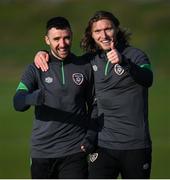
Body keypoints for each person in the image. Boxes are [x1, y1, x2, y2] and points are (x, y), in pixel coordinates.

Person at [33, 11, 153, 179]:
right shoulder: (91, 60)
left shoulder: (136, 55)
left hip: (135, 144)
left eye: (108, 29)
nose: (103, 35)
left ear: (116, 29)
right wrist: (41, 52)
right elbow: (65, 59)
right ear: (91, 35)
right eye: (97, 31)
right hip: (102, 145)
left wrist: (124, 62)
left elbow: (148, 79)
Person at [13, 16, 97, 179]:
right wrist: (33, 98)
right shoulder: (36, 68)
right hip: (42, 152)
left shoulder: (84, 67)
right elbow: (18, 101)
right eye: (56, 39)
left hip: (74, 151)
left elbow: (94, 105)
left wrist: (91, 137)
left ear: (71, 36)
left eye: (66, 38)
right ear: (47, 40)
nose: (62, 43)